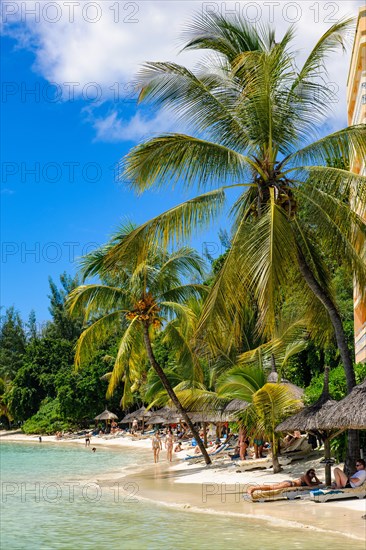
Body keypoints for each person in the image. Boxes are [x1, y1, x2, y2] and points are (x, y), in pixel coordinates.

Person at [248, 469, 321, 496]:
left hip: (288, 483)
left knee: (271, 486)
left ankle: (254, 488)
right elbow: (310, 485)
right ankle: (254, 488)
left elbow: (318, 482)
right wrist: (316, 482)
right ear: (308, 473)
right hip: (289, 484)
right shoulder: (306, 476)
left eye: (313, 473)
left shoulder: (310, 478)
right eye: (311, 473)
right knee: (271, 487)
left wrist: (315, 477)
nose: (312, 474)